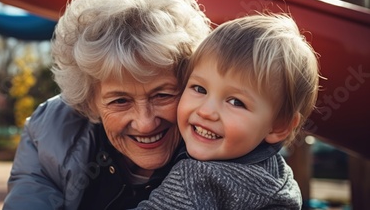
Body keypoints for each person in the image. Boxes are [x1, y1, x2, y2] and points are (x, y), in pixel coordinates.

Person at [2, 0, 211, 209]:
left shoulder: (226, 138)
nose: (145, 123)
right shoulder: (49, 135)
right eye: (120, 101)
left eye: (162, 95)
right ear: (88, 102)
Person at [135, 13, 320, 209]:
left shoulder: (197, 179)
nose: (206, 111)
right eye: (199, 89)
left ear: (278, 126)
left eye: (235, 102)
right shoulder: (278, 174)